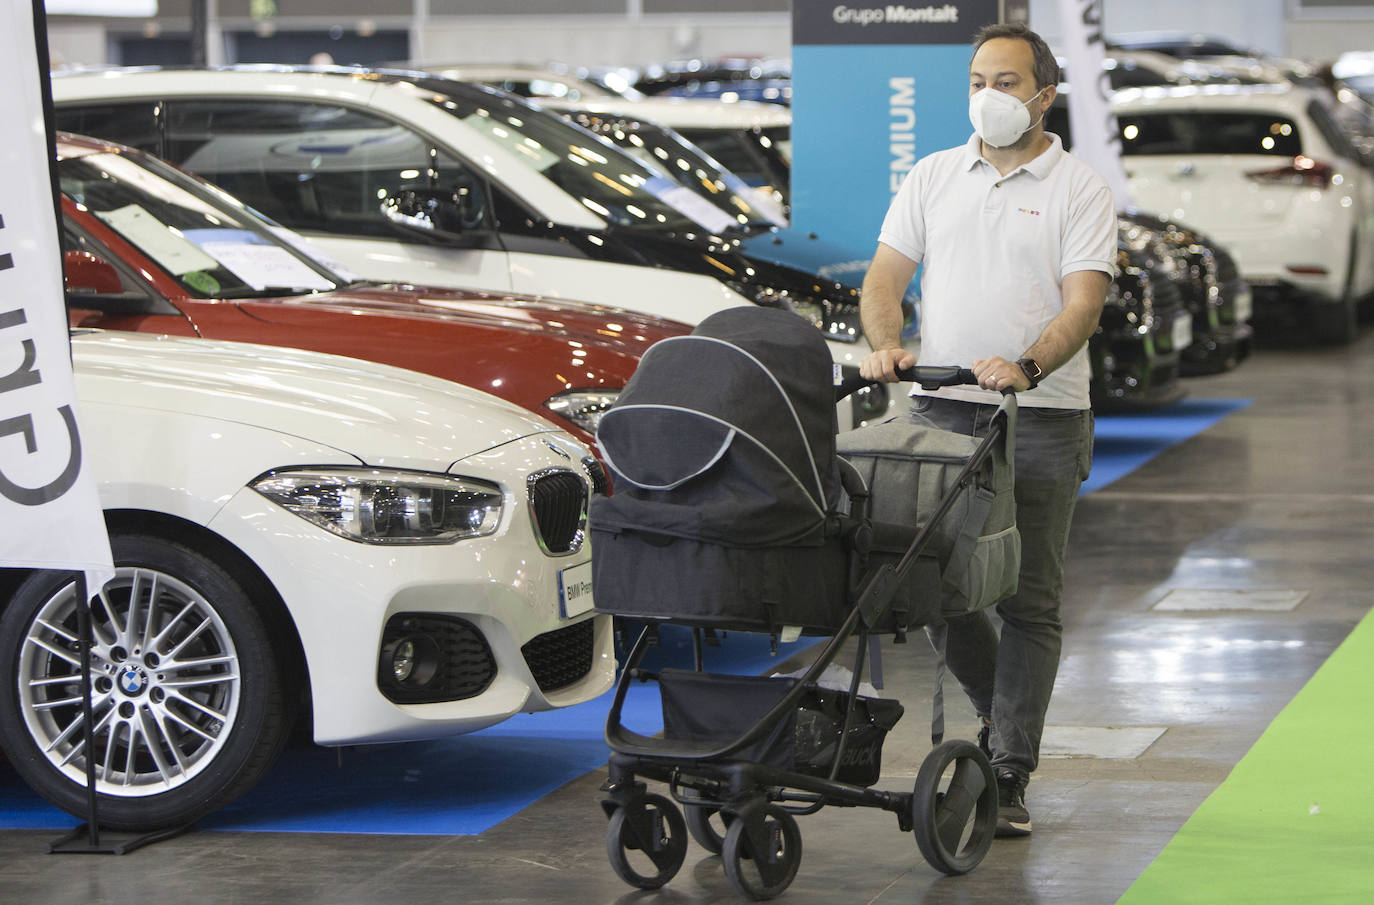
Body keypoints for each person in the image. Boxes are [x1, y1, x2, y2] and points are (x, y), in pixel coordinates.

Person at [858, 21, 1117, 837]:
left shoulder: (1080, 188)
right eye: (978, 80)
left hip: (1040, 415)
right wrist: (886, 343)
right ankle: (1002, 725)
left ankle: (1009, 766)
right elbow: (884, 276)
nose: (988, 96)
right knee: (933, 584)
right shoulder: (935, 175)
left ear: (1044, 94)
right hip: (943, 409)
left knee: (1029, 598)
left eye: (1005, 82)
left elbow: (1083, 304)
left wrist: (1028, 365)